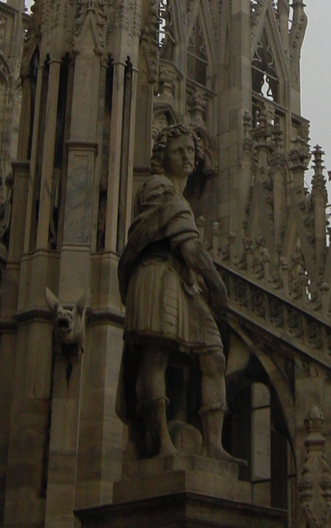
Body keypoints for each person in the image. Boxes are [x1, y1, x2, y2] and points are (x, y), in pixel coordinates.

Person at [117, 121, 232, 460]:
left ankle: (213, 445)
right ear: (162, 155)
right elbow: (189, 246)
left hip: (181, 281)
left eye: (191, 151)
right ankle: (162, 443)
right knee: (155, 357)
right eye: (178, 150)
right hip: (156, 276)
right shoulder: (158, 189)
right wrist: (216, 283)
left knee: (214, 355)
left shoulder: (178, 197)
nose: (186, 157)